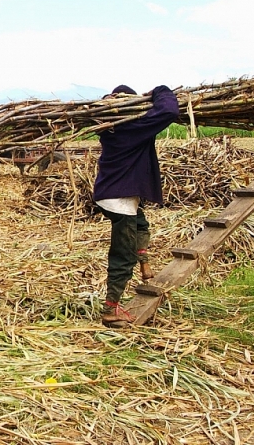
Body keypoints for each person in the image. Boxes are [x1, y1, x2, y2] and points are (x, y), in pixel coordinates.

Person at [93, 84, 179, 327]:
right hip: (119, 201)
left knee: (141, 224)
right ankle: (111, 309)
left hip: (111, 194)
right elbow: (169, 112)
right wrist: (160, 90)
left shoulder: (110, 127)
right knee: (123, 254)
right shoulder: (131, 128)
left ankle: (145, 265)